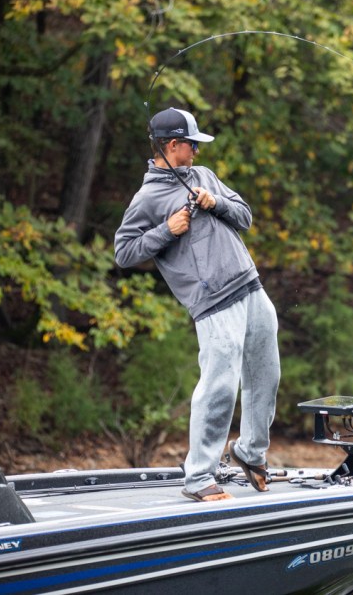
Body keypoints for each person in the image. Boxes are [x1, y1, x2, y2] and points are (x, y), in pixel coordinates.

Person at [114, 107, 281, 502]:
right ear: (173, 145)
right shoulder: (147, 198)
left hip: (250, 286)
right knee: (219, 386)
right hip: (212, 302)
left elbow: (245, 216)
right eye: (192, 144)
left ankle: (250, 452)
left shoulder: (204, 175)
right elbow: (124, 252)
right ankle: (199, 476)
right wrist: (165, 230)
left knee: (266, 375)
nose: (197, 150)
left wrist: (215, 202)